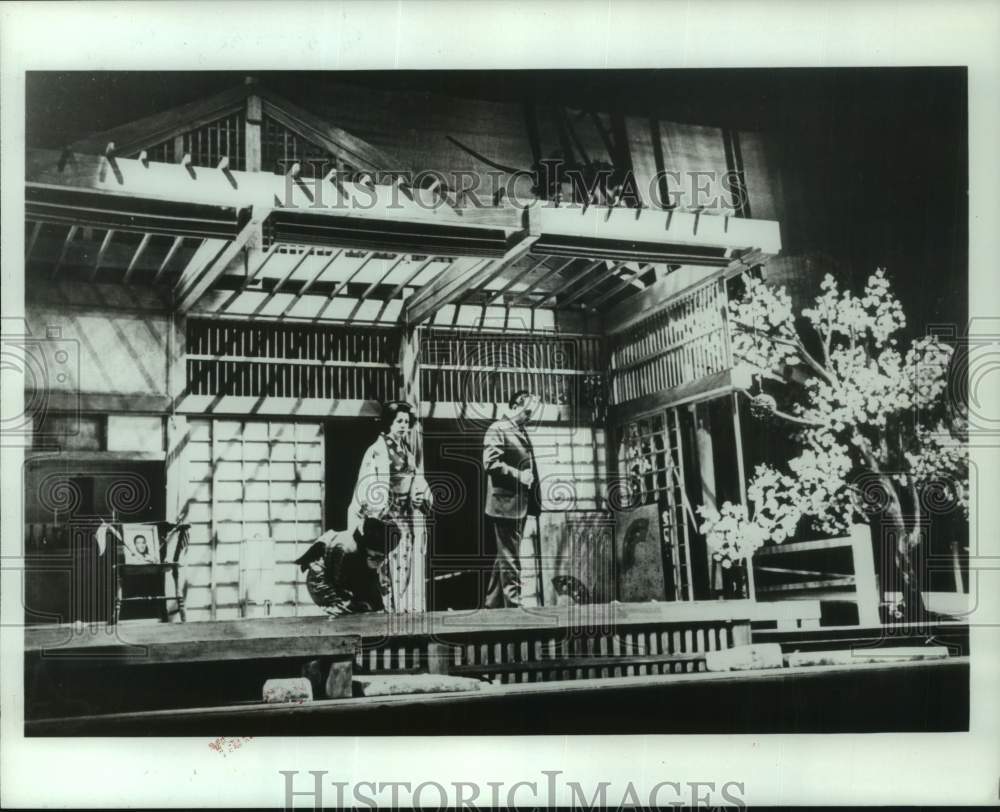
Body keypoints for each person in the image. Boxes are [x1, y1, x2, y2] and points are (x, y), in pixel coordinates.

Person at [348, 401, 432, 613]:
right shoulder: (377, 450)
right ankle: (388, 607)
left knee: (406, 558)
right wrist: (376, 508)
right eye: (399, 421)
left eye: (406, 421)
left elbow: (417, 480)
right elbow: (367, 481)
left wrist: (420, 497)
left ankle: (405, 606)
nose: (403, 425)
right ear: (389, 423)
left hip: (406, 513)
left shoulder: (409, 452)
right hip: (386, 514)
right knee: (385, 560)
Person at [483, 389, 542, 608]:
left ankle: (492, 605)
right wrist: (520, 476)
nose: (530, 417)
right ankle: (514, 608)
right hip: (505, 505)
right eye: (527, 411)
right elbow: (490, 464)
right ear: (516, 406)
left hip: (516, 504)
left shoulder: (519, 429)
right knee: (510, 558)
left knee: (504, 557)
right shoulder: (498, 429)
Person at [295, 518, 397, 617]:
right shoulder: (345, 548)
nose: (380, 558)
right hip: (323, 577)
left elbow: (373, 585)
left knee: (373, 606)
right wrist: (353, 603)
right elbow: (338, 582)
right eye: (377, 555)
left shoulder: (369, 547)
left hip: (349, 573)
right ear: (369, 546)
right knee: (345, 611)